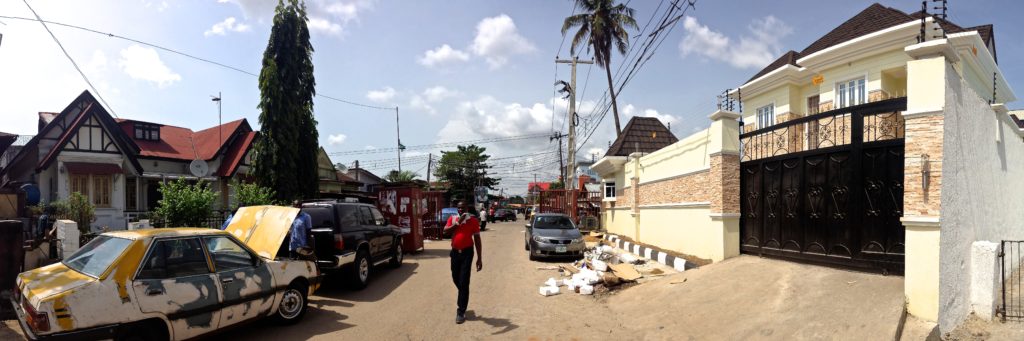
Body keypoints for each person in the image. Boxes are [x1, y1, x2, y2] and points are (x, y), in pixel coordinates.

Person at [443, 201, 483, 324]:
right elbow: (445, 232)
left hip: (467, 253)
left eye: (463, 208)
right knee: (456, 279)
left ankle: (461, 311)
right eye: (459, 208)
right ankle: (463, 293)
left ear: (467, 208)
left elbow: (477, 239)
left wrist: (479, 258)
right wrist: (458, 222)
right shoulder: (452, 218)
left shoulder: (473, 221)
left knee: (464, 282)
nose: (460, 210)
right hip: (455, 253)